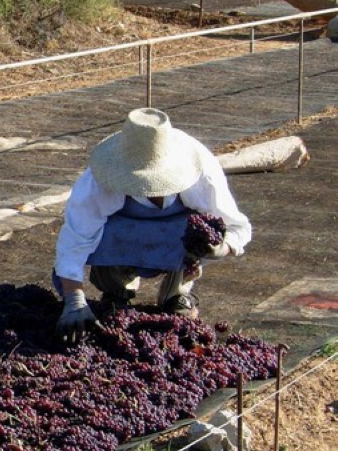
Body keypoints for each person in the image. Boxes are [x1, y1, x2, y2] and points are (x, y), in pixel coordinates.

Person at [54, 107, 252, 343]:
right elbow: (75, 240)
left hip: (175, 240)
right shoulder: (99, 181)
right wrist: (74, 298)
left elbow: (237, 227)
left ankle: (176, 293)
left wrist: (221, 247)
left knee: (199, 228)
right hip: (119, 238)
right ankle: (116, 290)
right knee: (101, 232)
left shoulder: (201, 173)